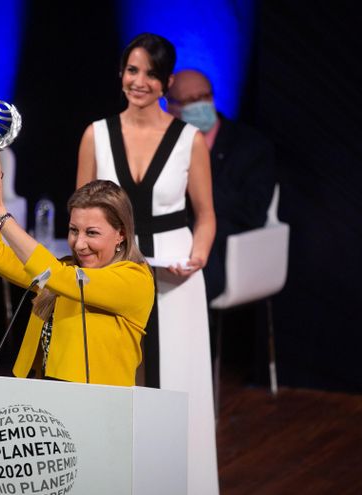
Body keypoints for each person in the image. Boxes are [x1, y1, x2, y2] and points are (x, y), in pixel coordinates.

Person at [75, 33, 219, 494]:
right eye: (132, 70)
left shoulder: (190, 140)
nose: (140, 82)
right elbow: (80, 212)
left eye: (151, 74)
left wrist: (199, 255)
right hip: (114, 273)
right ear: (121, 74)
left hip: (176, 279)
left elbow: (206, 215)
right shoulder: (95, 134)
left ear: (167, 82)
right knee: (114, 381)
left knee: (177, 383)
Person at [0, 139, 154, 386]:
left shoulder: (135, 279)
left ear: (121, 234)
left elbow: (61, 279)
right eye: (74, 230)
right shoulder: (63, 270)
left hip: (100, 409)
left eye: (92, 233)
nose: (79, 243)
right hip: (45, 399)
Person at [167, 68, 276, 301]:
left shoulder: (251, 146)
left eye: (203, 97)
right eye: (189, 101)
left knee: (187, 284)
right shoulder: (164, 145)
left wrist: (196, 182)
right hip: (173, 239)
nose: (198, 105)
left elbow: (253, 211)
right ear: (171, 107)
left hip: (226, 246)